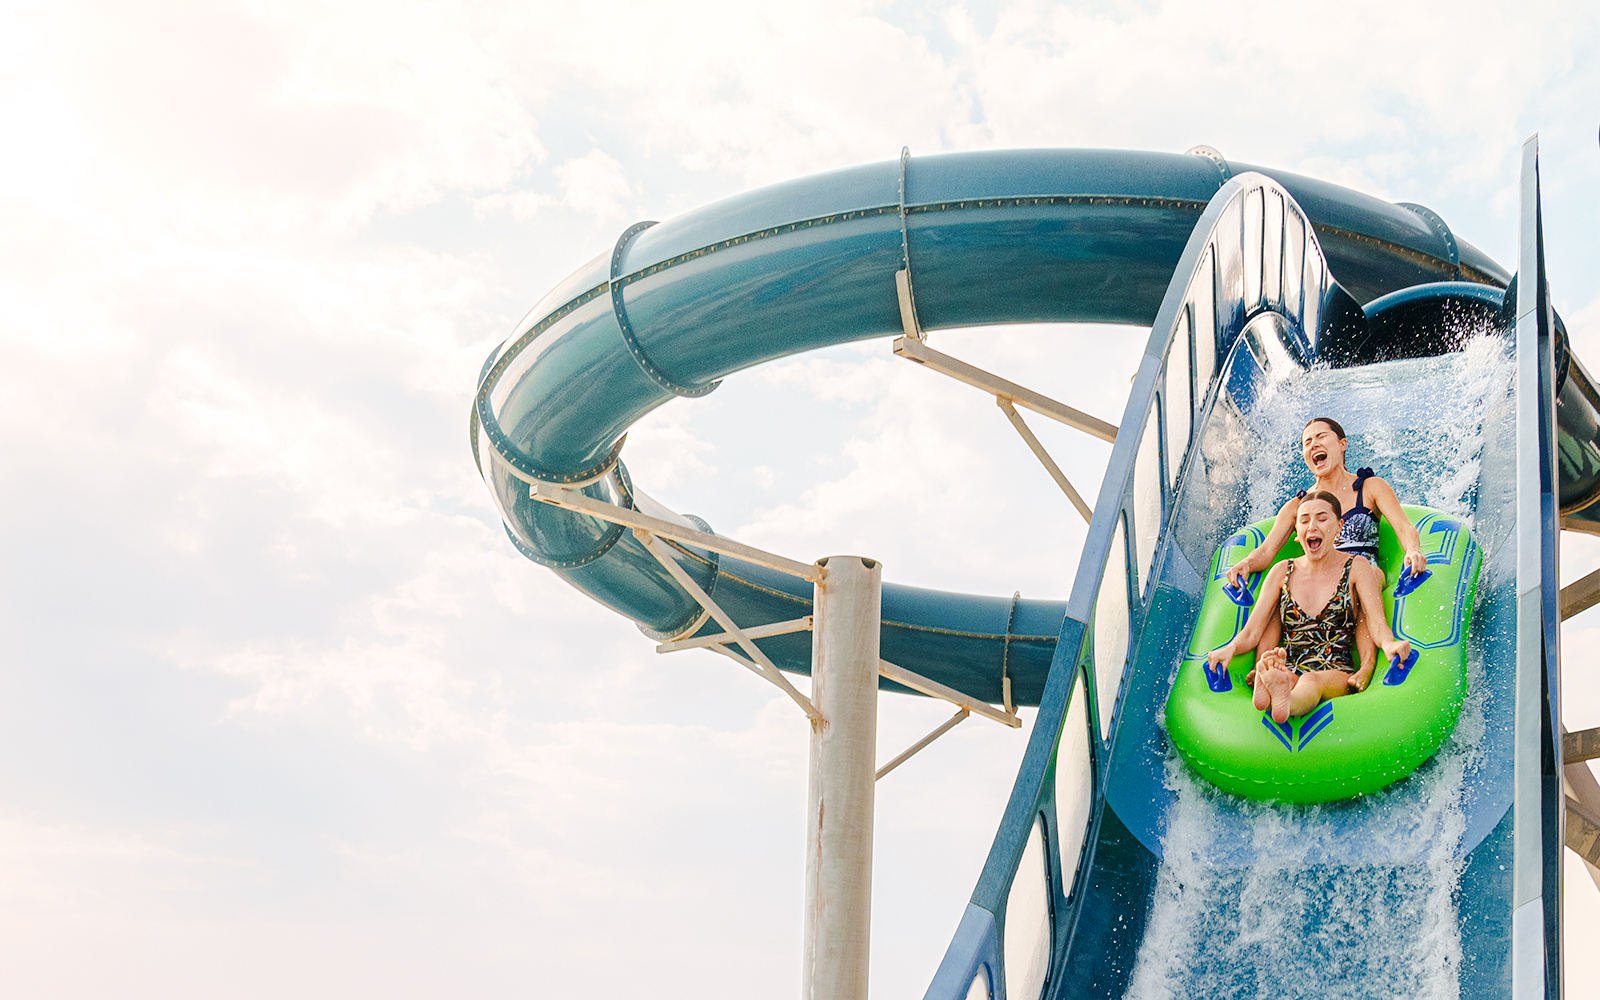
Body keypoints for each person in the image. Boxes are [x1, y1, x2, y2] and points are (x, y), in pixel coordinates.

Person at [1223, 416, 1426, 673]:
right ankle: (1264, 666)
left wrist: (1413, 550)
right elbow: (1266, 551)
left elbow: (1404, 527)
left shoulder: (1370, 488)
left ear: (1342, 444)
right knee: (1281, 586)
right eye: (1307, 442)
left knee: (1367, 573)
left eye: (1320, 437)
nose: (1313, 444)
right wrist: (1245, 563)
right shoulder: (1299, 506)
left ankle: (1367, 664)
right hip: (1317, 574)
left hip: (1362, 571)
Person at [1206, 492, 1412, 724]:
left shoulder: (1357, 567)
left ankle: (1284, 701)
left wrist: (1389, 643)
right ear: (1297, 532)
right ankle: (1276, 684)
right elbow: (1253, 632)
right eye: (1304, 521)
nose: (1312, 526)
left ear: (1338, 527)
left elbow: (1375, 622)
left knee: (1311, 681)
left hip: (1336, 671)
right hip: (1290, 666)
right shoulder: (1281, 571)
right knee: (1291, 677)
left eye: (1322, 519)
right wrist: (1229, 649)